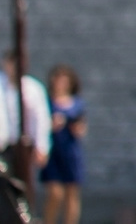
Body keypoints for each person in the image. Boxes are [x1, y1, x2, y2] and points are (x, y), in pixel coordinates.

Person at [0, 56, 49, 189]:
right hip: (2, 144)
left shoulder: (32, 88)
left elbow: (41, 118)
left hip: (24, 145)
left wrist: (42, 146)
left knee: (22, 184)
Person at [38, 69, 79, 224]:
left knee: (71, 192)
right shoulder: (46, 101)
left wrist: (72, 125)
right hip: (52, 150)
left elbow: (81, 129)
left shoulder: (77, 103)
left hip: (70, 150)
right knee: (55, 193)